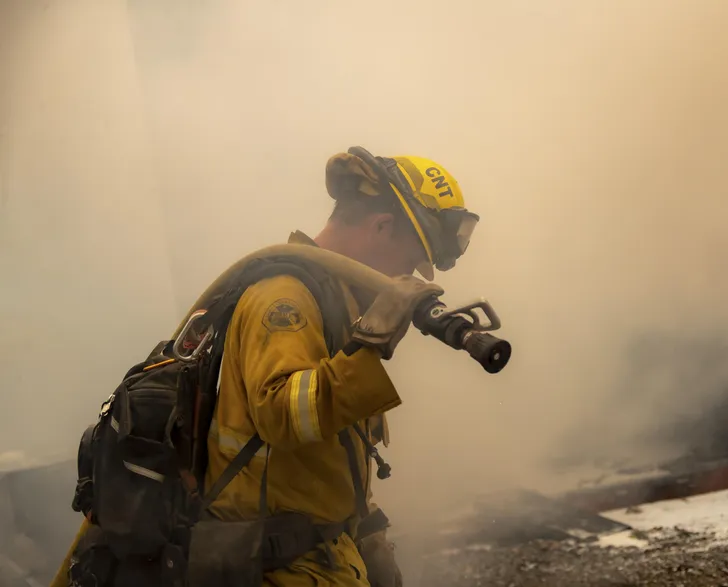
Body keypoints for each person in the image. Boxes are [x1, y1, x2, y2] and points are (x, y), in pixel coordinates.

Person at [49, 146, 479, 587]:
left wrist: (365, 536)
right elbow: (284, 414)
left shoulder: (333, 303)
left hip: (320, 558)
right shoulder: (286, 298)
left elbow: (327, 458)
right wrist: (372, 346)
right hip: (278, 570)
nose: (411, 276)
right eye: (411, 261)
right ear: (382, 226)